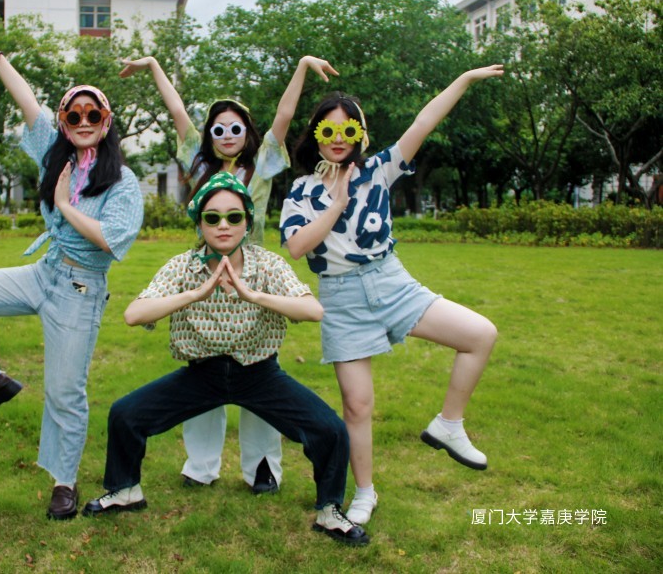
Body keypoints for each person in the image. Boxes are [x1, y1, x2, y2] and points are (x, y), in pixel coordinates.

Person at [81, 172, 368, 546]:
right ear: (199, 223)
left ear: (247, 222)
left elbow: (313, 310)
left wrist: (253, 296)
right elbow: (134, 314)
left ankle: (329, 511)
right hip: (202, 375)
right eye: (212, 217)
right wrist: (194, 294)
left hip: (260, 374)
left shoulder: (267, 264)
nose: (223, 225)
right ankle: (125, 490)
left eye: (234, 217)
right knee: (125, 415)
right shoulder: (183, 266)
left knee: (330, 430)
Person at [279, 65, 504, 526]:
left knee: (480, 334)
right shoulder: (302, 190)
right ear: (315, 135)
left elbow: (424, 122)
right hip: (341, 298)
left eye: (348, 130)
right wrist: (337, 205)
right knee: (357, 405)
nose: (337, 139)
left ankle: (449, 424)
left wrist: (462, 79)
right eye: (328, 130)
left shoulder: (378, 169)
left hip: (391, 282)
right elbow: (297, 247)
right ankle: (365, 491)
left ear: (360, 135)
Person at [0, 46, 144, 521]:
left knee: (64, 392)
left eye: (93, 114)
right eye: (74, 114)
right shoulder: (55, 155)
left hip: (80, 289)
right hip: (42, 273)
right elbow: (28, 103)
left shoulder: (122, 181)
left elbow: (111, 239)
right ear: (64, 123)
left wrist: (65, 205)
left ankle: (63, 482)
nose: (84, 120)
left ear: (107, 122)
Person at [119, 55, 337, 494]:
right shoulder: (198, 163)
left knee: (260, 367)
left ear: (248, 132)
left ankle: (263, 468)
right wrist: (154, 66)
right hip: (204, 269)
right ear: (209, 135)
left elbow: (284, 116)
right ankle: (201, 466)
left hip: (253, 273)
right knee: (201, 366)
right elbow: (177, 111)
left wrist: (301, 66)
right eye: (218, 129)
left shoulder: (263, 163)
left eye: (236, 128)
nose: (228, 135)